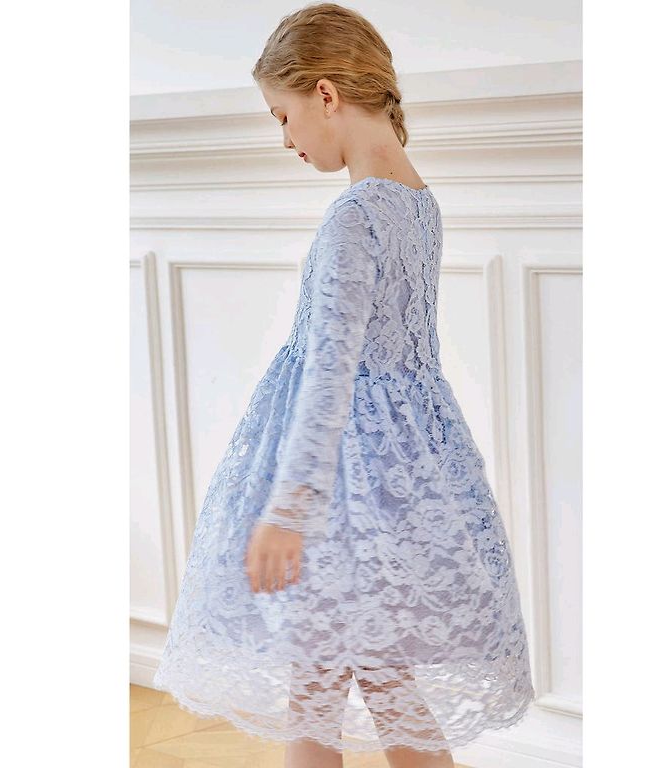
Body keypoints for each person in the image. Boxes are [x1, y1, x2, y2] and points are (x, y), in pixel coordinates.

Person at [152, 4, 535, 767]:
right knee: (382, 679)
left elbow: (330, 375)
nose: (285, 139)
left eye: (282, 115)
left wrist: (287, 511)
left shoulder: (353, 218)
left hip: (338, 491)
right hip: (400, 481)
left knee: (319, 688)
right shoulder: (420, 203)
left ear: (325, 94)